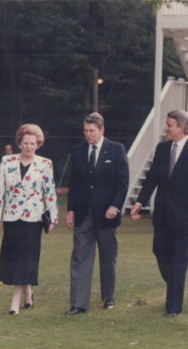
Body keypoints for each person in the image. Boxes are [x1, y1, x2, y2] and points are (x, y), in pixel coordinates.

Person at [131, 110, 188, 317]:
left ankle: (173, 306)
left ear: (181, 127)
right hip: (162, 213)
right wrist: (139, 202)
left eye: (169, 124)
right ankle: (175, 284)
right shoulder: (162, 149)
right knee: (159, 252)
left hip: (184, 214)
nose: (166, 128)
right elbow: (152, 178)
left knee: (179, 259)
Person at [65, 112, 129, 315]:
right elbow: (73, 183)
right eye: (85, 131)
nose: (87, 135)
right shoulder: (77, 151)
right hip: (83, 213)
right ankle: (78, 304)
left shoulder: (116, 150)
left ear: (102, 130)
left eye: (91, 131)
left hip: (107, 214)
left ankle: (108, 297)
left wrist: (115, 206)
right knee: (80, 257)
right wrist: (71, 209)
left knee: (107, 257)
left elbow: (122, 182)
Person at [0, 124, 58, 315]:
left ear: (38, 144)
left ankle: (15, 300)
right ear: (19, 143)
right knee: (15, 257)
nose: (29, 147)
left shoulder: (45, 164)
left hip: (33, 219)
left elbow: (50, 192)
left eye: (33, 143)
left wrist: (53, 218)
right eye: (25, 143)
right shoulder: (7, 161)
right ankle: (28, 292)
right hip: (12, 218)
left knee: (26, 258)